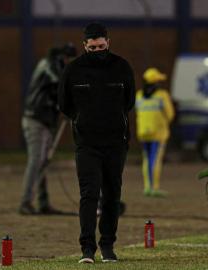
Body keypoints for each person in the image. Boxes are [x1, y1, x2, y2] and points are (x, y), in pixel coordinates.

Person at [58, 22, 135, 263]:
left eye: (101, 46)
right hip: (87, 144)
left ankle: (108, 245)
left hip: (115, 142)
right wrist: (83, 121)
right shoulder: (73, 71)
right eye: (93, 48)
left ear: (108, 43)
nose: (98, 51)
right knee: (89, 195)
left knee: (112, 195)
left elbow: (129, 101)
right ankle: (87, 249)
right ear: (85, 46)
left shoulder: (122, 67)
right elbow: (64, 104)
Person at [19, 43, 77, 215]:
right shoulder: (49, 65)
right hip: (35, 120)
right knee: (36, 161)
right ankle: (25, 202)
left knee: (43, 162)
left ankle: (42, 202)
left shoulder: (54, 66)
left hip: (45, 121)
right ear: (64, 58)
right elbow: (59, 82)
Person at [135, 67, 175, 197]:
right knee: (155, 160)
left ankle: (147, 187)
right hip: (158, 134)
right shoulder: (162, 96)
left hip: (143, 133)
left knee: (147, 160)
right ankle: (154, 188)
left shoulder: (139, 95)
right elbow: (170, 115)